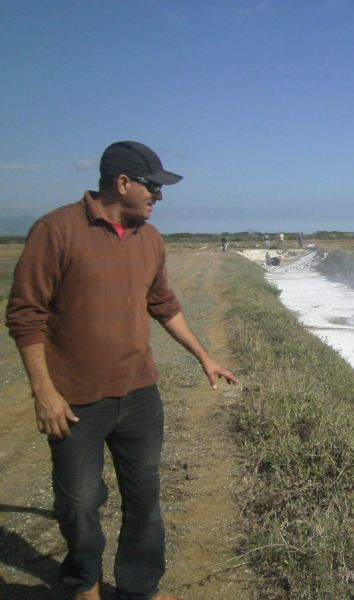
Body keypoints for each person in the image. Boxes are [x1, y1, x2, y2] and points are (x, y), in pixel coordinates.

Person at [5, 140, 239, 600]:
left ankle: (140, 588)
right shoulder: (55, 231)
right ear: (123, 182)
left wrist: (203, 356)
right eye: (153, 186)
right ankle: (83, 584)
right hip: (74, 399)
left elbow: (164, 305)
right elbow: (25, 315)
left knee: (144, 499)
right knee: (78, 502)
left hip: (139, 394)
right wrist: (44, 392)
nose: (159, 196)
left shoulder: (150, 239)